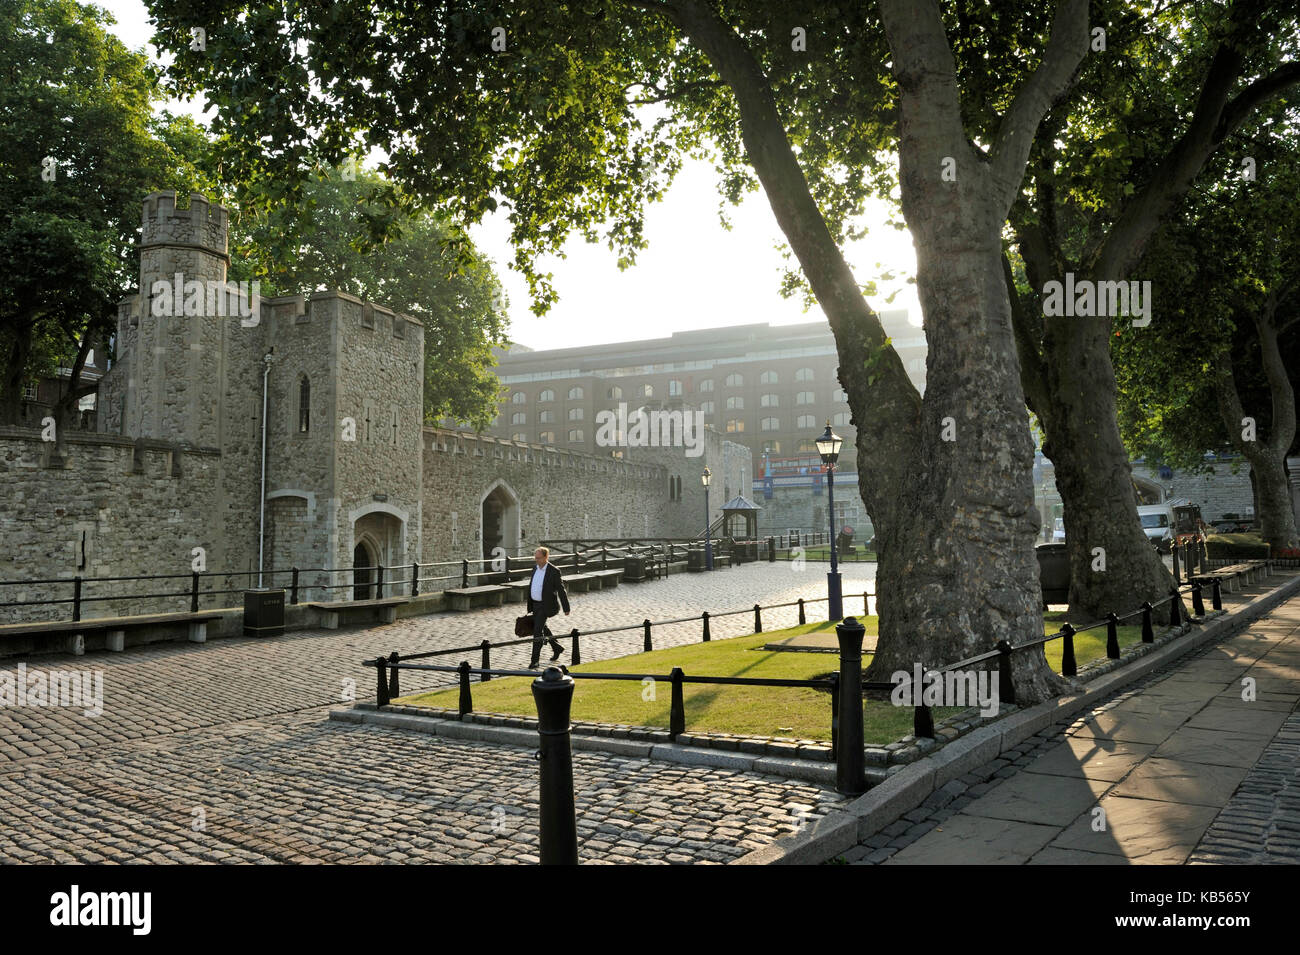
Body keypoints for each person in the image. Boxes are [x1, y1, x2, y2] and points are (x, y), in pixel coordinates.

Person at [527, 546, 570, 668]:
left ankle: (535, 660)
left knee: (537, 632)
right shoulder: (535, 568)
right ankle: (556, 647)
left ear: (546, 557)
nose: (536, 560)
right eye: (535, 558)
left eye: (539, 558)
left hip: (545, 606)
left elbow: (561, 590)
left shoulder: (554, 571)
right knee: (542, 628)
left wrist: (566, 607)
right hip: (535, 604)